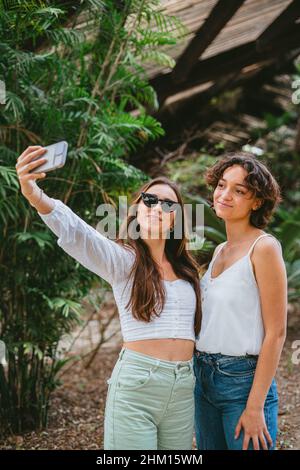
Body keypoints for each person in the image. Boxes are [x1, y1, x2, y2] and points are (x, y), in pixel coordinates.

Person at [15, 145, 201, 450]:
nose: (156, 207)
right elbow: (79, 233)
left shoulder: (188, 273)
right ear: (138, 211)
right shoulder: (122, 261)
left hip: (183, 388)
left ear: (175, 220)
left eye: (168, 205)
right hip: (138, 385)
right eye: (149, 200)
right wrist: (34, 194)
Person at [194, 152, 287, 450]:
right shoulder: (221, 249)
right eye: (222, 185)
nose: (224, 194)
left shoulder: (264, 247)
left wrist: (255, 406)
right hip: (203, 378)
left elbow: (276, 333)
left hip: (242, 382)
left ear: (256, 202)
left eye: (239, 191)